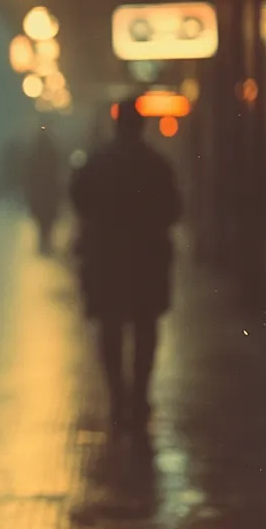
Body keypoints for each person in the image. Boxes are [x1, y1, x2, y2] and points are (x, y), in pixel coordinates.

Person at [70, 99, 181, 429]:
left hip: (106, 260)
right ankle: (139, 396)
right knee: (146, 329)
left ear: (116, 123)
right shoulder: (157, 163)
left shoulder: (96, 162)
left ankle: (117, 397)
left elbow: (78, 200)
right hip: (147, 260)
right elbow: (174, 209)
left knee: (110, 328)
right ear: (142, 125)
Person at [23, 126, 62, 254]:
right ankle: (47, 241)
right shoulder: (53, 152)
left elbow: (29, 174)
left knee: (41, 219)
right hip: (50, 190)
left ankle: (43, 241)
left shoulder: (33, 154)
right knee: (49, 218)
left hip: (39, 191)